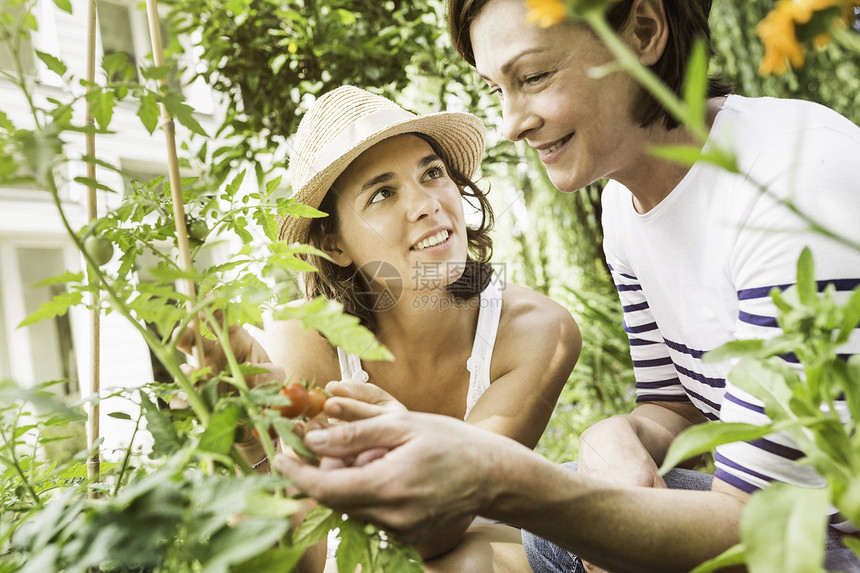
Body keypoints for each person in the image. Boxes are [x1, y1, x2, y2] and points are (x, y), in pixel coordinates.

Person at [272, 0, 860, 571]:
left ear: (644, 31)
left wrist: (500, 476)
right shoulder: (624, 208)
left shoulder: (795, 189)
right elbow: (676, 404)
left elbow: (763, 534)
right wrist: (613, 433)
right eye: (497, 90)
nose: (510, 125)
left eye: (533, 76)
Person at [184, 84, 581, 572]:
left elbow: (435, 530)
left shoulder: (536, 333)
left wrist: (401, 435)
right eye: (383, 193)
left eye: (432, 173)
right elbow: (294, 565)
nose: (426, 203)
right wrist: (255, 444)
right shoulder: (302, 347)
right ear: (333, 244)